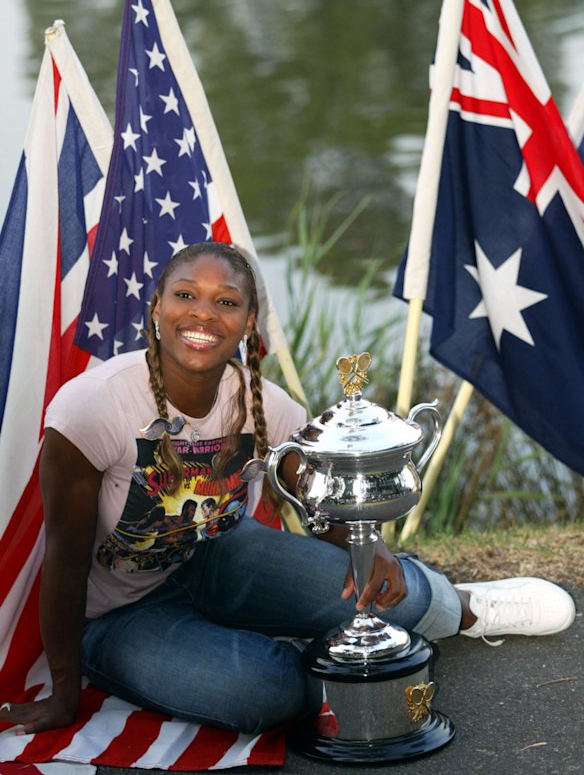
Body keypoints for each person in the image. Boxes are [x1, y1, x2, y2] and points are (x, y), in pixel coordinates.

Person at [0, 242, 575, 736]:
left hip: (222, 555)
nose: (203, 313)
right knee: (264, 695)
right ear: (156, 307)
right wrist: (65, 693)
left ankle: (468, 607)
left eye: (226, 302)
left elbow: (318, 501)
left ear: (249, 322)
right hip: (121, 612)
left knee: (399, 600)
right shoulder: (90, 407)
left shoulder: (268, 405)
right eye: (185, 295)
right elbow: (66, 563)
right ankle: (271, 652)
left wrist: (368, 547)